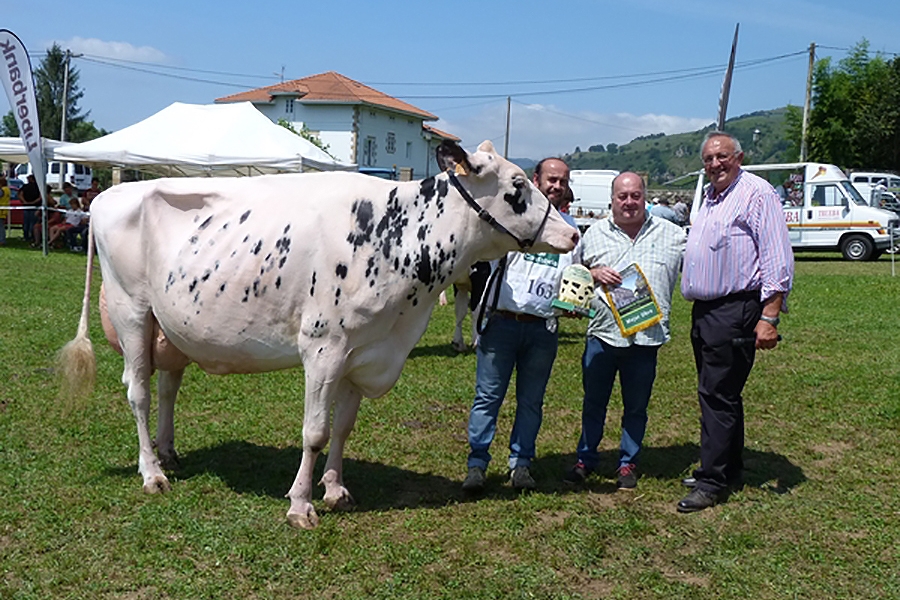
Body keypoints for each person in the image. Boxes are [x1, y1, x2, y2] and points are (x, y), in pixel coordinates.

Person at [677, 131, 794, 513]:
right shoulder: (710, 196)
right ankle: (729, 466)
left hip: (735, 308)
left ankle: (712, 481)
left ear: (739, 157)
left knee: (716, 394)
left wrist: (769, 316)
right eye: (708, 159)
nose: (714, 164)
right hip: (707, 311)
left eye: (722, 157)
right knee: (721, 392)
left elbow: (776, 257)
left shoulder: (757, 194)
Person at [563, 172, 686, 490]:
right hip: (602, 336)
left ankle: (627, 463)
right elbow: (572, 275)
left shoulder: (674, 236)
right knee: (593, 402)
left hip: (646, 338)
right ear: (612, 199)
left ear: (645, 197)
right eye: (623, 196)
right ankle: (585, 459)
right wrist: (592, 273)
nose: (629, 202)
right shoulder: (593, 235)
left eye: (635, 196)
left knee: (636, 406)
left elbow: (703, 269)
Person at [462, 157, 578, 492]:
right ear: (535, 180)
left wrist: (574, 303)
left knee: (531, 401)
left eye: (562, 181)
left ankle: (521, 464)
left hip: (543, 328)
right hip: (502, 323)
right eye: (551, 179)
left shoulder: (570, 229)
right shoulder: (509, 218)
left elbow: (574, 278)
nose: (556, 185)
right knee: (488, 396)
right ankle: (477, 464)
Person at [19, 174, 41, 244]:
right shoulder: (39, 186)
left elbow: (20, 194)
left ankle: (26, 236)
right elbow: (41, 197)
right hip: (34, 206)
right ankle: (31, 236)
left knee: (26, 223)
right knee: (32, 222)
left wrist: (25, 201)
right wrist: (33, 202)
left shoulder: (25, 187)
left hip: (27, 206)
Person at [0, 175, 10, 245]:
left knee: (0, 228)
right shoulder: (7, 189)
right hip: (3, 210)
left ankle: (2, 241)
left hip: (0, 211)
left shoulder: (2, 190)